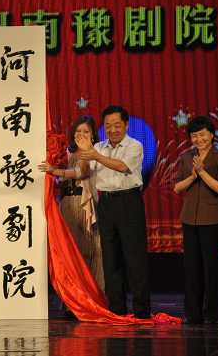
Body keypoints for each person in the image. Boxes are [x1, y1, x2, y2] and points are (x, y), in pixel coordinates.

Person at [76, 105, 150, 319]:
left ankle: (141, 311)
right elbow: (84, 172)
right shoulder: (98, 147)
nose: (112, 129)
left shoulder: (134, 145)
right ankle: (116, 309)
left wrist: (95, 155)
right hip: (106, 203)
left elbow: (122, 167)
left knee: (134, 258)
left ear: (126, 125)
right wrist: (84, 153)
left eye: (117, 125)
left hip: (129, 201)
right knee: (111, 258)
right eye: (108, 126)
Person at [173, 116, 218, 324]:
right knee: (191, 268)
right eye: (194, 136)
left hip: (213, 219)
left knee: (211, 267)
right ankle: (193, 313)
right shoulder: (186, 157)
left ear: (212, 135)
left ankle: (211, 313)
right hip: (190, 218)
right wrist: (192, 176)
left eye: (202, 135)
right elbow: (177, 187)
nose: (199, 139)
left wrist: (202, 171)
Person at [38, 115, 105, 291]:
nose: (81, 134)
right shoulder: (67, 153)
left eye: (86, 131)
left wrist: (55, 171)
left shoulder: (94, 153)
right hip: (66, 204)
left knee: (90, 250)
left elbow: (81, 172)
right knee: (69, 252)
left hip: (84, 204)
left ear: (92, 135)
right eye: (78, 131)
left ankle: (93, 293)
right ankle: (72, 296)